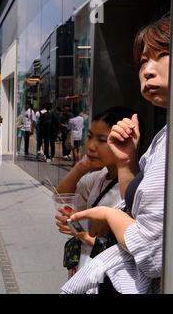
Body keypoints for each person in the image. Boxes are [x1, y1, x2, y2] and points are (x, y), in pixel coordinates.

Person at [62, 15, 170, 294]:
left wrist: (109, 216)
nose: (147, 70)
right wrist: (126, 163)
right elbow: (137, 211)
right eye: (143, 61)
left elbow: (150, 251)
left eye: (163, 54)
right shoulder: (162, 139)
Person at [55, 107, 139, 290]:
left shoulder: (135, 186)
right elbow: (60, 196)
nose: (91, 146)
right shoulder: (100, 177)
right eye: (90, 136)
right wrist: (80, 167)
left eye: (102, 140)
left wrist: (84, 236)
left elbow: (134, 247)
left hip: (112, 278)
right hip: (89, 268)